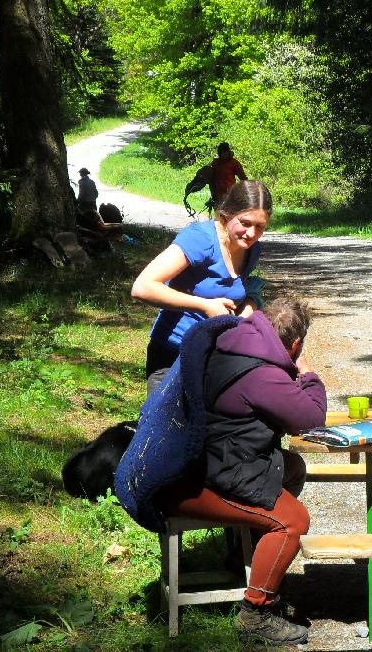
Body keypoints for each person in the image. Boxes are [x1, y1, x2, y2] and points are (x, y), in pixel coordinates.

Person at [158, 296, 326, 646]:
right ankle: (256, 613)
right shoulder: (262, 374)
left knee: (291, 467)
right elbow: (311, 419)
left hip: (191, 463)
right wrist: (308, 374)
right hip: (197, 481)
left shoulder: (227, 344)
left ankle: (245, 561)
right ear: (295, 344)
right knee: (292, 520)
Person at [131, 179, 270, 395]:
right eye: (245, 223)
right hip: (173, 355)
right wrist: (205, 306)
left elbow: (243, 287)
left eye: (260, 227)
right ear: (227, 214)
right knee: (164, 427)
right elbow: (143, 287)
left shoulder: (252, 249)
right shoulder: (201, 239)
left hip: (216, 358)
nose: (251, 233)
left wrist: (250, 304)